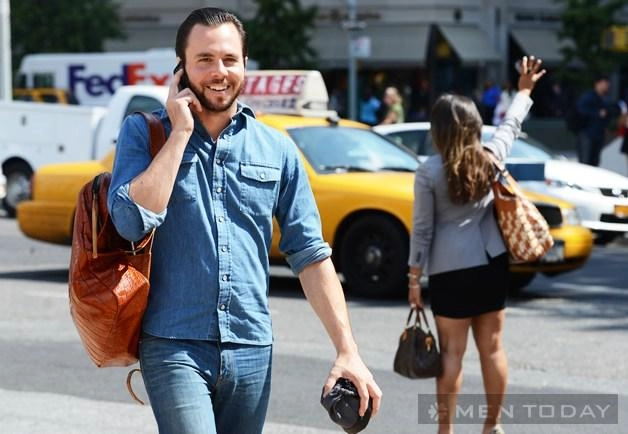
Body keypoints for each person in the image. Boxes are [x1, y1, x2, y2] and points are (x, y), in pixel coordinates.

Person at [107, 7, 381, 434]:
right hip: (174, 343)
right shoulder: (145, 134)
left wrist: (348, 350)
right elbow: (129, 221)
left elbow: (310, 255)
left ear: (245, 65)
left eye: (230, 60)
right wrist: (179, 132)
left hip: (252, 347)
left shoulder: (277, 149)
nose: (219, 72)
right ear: (180, 69)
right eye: (205, 60)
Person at [407, 56, 546, 434]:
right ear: (474, 127)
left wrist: (414, 279)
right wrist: (524, 90)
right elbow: (511, 125)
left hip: (448, 269)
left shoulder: (428, 171)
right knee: (494, 349)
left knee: (452, 354)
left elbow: (422, 230)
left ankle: (446, 430)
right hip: (491, 263)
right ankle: (492, 426)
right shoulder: (491, 157)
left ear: (437, 131)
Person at [574, 75, 619, 166]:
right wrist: (597, 113)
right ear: (598, 84)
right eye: (604, 84)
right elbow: (580, 110)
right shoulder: (588, 97)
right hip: (587, 133)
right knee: (586, 161)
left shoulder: (605, 99)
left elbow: (613, 110)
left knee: (594, 161)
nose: (606, 87)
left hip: (599, 134)